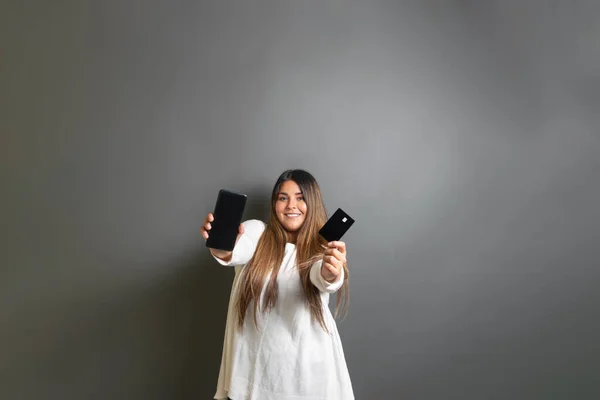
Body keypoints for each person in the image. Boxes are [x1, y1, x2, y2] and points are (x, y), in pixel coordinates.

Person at [201, 169, 354, 400]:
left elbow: (322, 277)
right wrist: (221, 246)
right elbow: (236, 250)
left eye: (300, 197)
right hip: (257, 375)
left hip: (310, 375)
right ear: (274, 204)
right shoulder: (258, 233)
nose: (291, 205)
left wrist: (331, 272)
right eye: (283, 198)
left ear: (312, 202)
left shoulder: (321, 247)